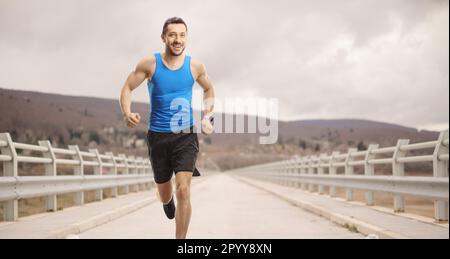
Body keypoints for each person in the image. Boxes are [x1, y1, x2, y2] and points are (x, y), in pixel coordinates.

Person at [119, 17, 215, 239]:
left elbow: (209, 89)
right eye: (172, 35)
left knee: (184, 189)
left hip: (186, 136)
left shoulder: (195, 66)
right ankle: (166, 201)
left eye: (182, 35)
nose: (177, 39)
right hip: (158, 137)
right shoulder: (150, 64)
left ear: (186, 38)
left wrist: (208, 115)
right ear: (163, 37)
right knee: (165, 192)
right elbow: (127, 87)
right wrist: (127, 112)